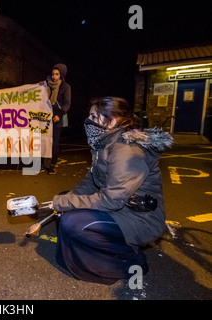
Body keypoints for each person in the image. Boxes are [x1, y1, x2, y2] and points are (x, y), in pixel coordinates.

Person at [49, 97, 173, 285]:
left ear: (113, 121)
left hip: (140, 218)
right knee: (68, 200)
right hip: (122, 207)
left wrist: (64, 203)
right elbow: (92, 180)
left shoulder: (126, 149)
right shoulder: (106, 143)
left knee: (72, 222)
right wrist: (68, 198)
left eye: (94, 116)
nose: (88, 121)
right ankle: (87, 257)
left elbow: (111, 200)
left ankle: (132, 260)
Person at [42, 63, 71, 174]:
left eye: (57, 74)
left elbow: (67, 103)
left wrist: (59, 114)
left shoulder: (66, 87)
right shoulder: (46, 85)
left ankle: (53, 164)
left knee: (54, 141)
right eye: (53, 74)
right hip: (46, 116)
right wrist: (39, 85)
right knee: (44, 139)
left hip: (58, 116)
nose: (54, 76)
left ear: (61, 75)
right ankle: (44, 162)